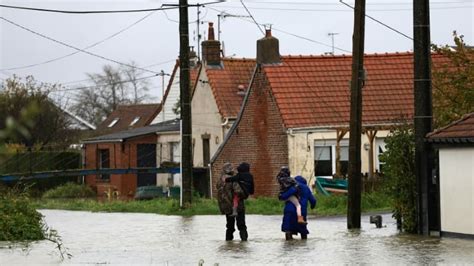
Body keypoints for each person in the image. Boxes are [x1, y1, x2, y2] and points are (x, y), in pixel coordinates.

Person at [279, 175, 317, 240]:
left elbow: (283, 196)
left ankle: (289, 245)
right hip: (302, 212)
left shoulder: (291, 187)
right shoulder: (306, 188)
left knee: (288, 229)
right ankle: (303, 246)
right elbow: (313, 200)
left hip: (289, 212)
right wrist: (312, 206)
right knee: (303, 230)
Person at [224, 162, 254, 241]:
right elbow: (239, 191)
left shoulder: (221, 180)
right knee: (241, 225)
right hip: (239, 205)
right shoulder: (237, 179)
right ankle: (244, 241)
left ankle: (228, 242)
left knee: (229, 226)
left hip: (227, 205)